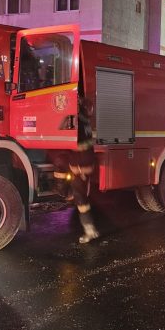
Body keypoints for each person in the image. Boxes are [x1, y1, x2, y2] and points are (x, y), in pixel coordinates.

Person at [68, 93, 99, 244]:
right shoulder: (85, 119)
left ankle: (90, 230)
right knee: (82, 197)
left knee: (80, 198)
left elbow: (76, 143)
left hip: (80, 166)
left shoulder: (75, 120)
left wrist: (77, 168)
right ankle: (91, 229)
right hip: (86, 163)